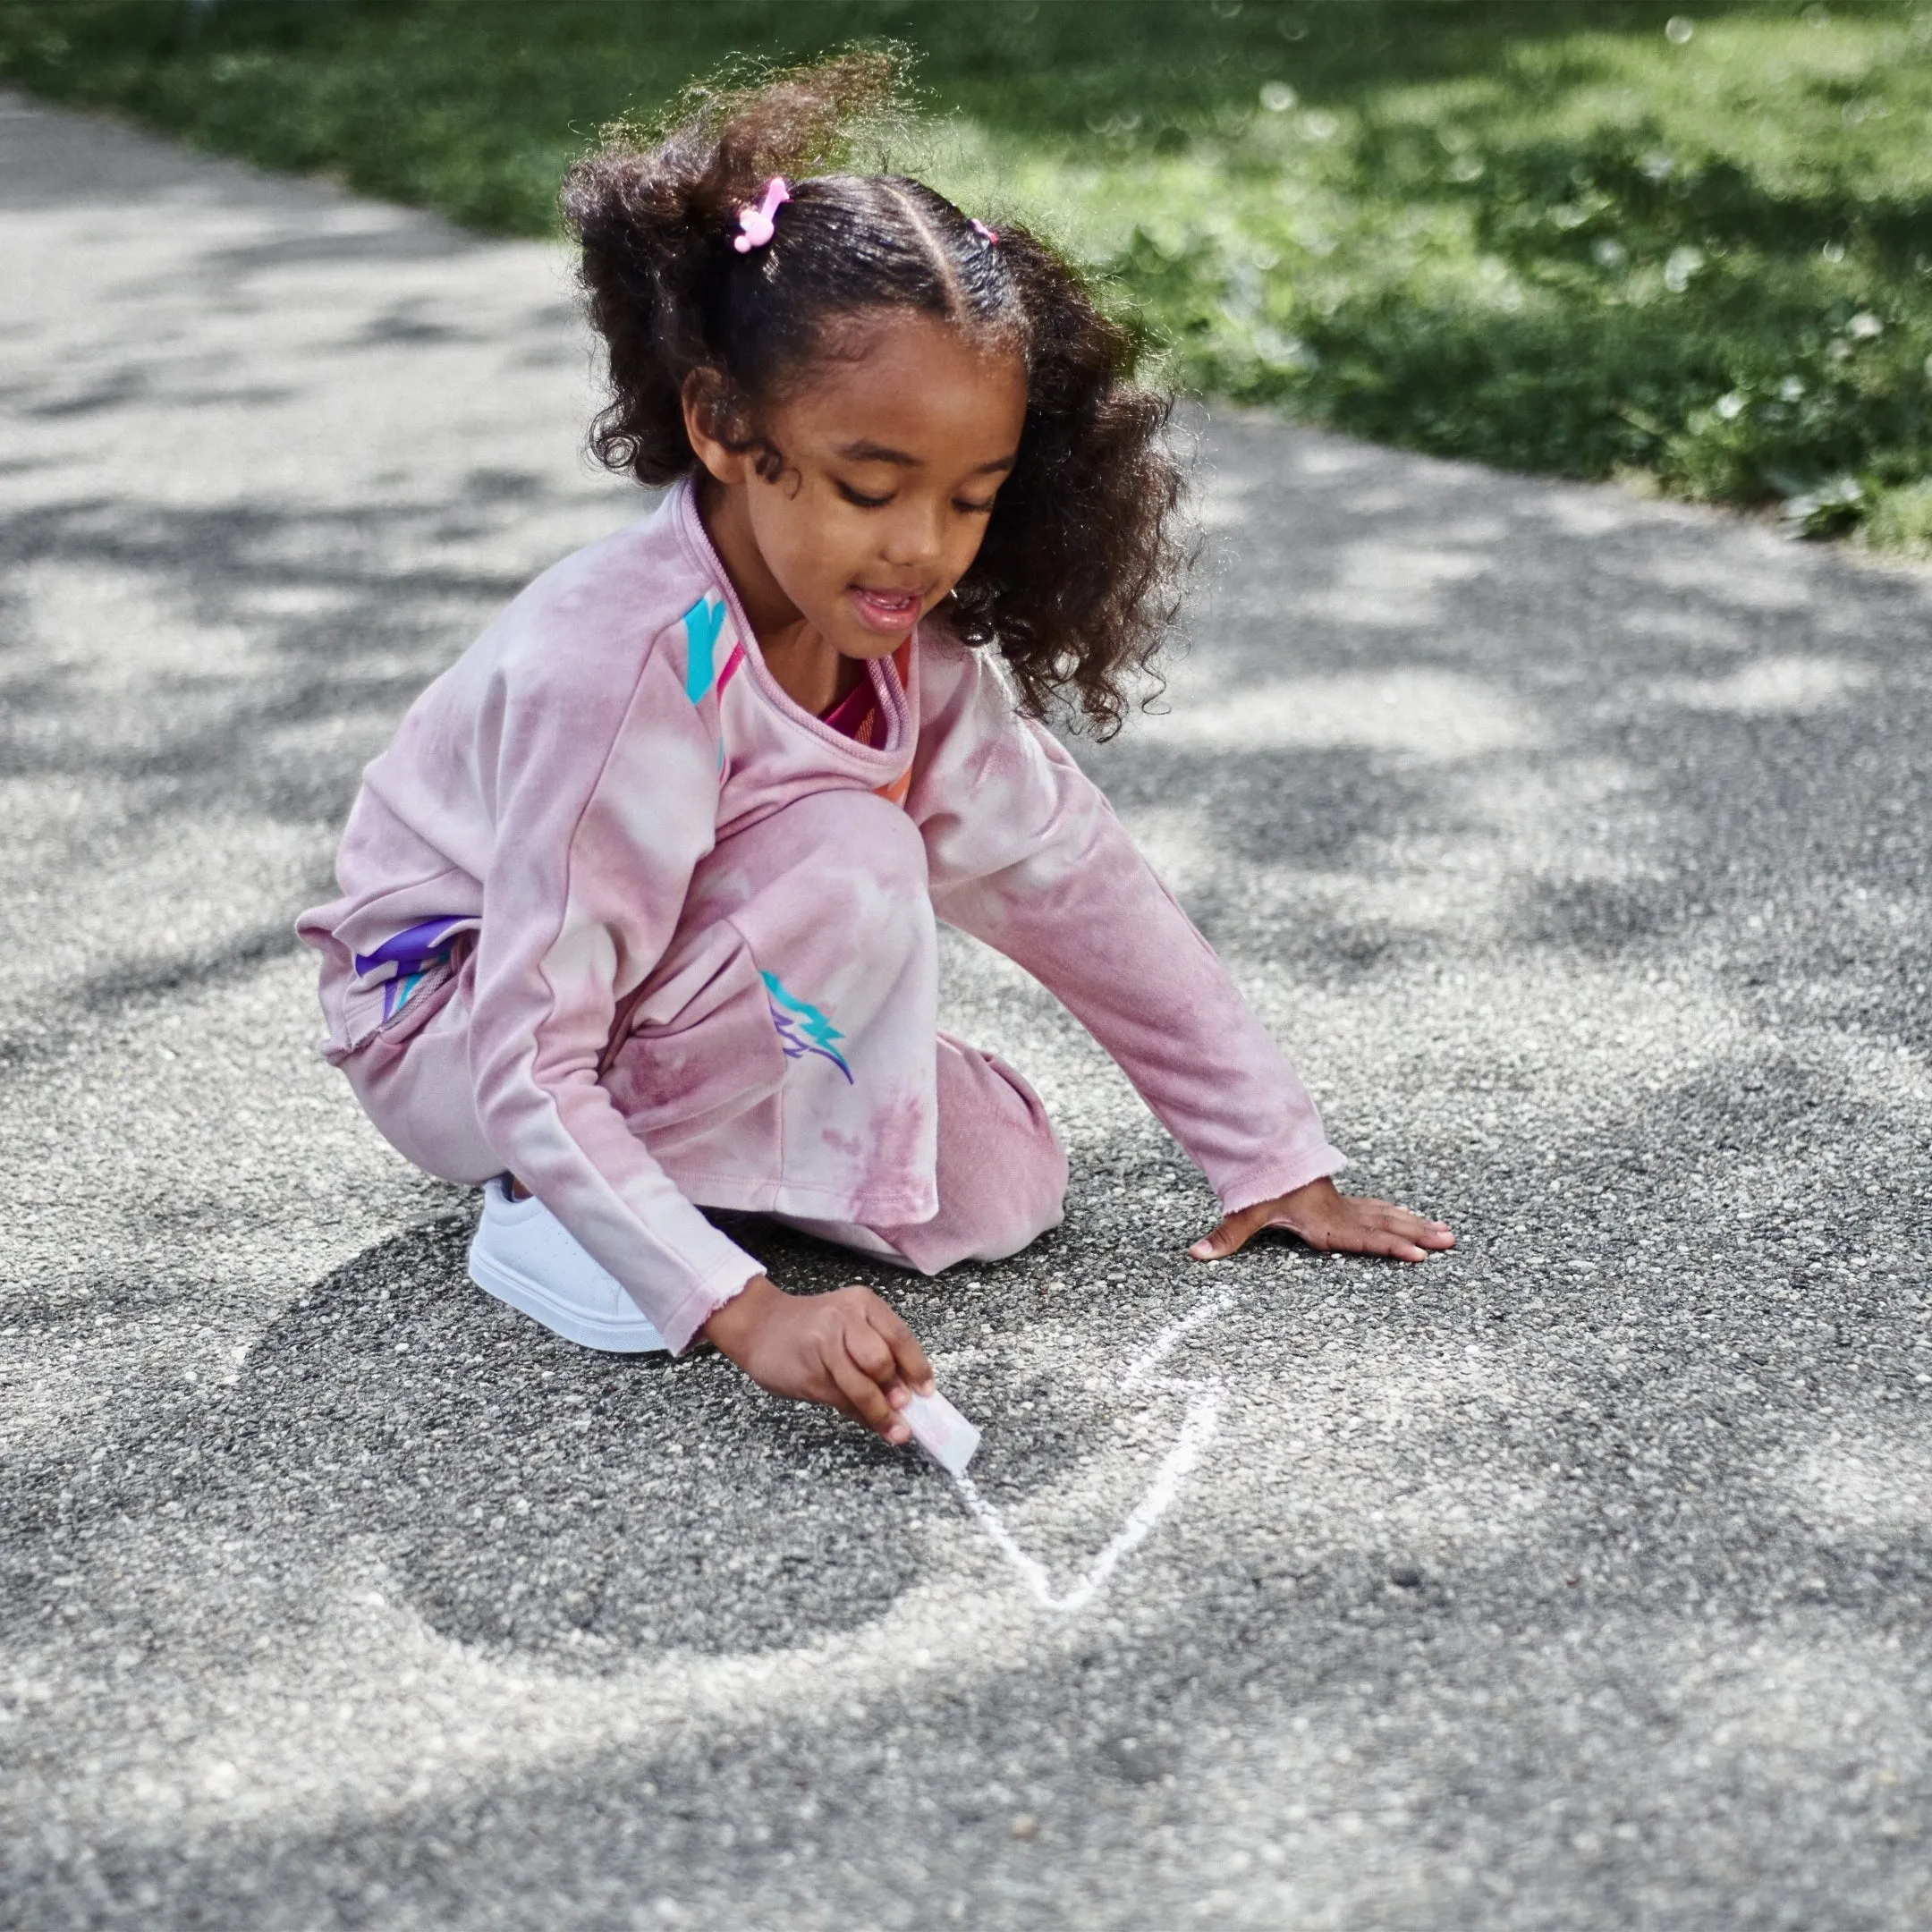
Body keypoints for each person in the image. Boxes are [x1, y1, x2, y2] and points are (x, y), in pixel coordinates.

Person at [295, 55, 1453, 1453]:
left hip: (649, 985)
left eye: (970, 499)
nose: (920, 548)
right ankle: (562, 1211)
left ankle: (670, 1164)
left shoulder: (909, 651)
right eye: (868, 486)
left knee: (1002, 1183)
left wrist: (1270, 1158)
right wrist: (745, 1310)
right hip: (463, 1023)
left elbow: (1068, 879)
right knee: (851, 859)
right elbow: (533, 1043)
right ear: (727, 427)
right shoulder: (632, 660)